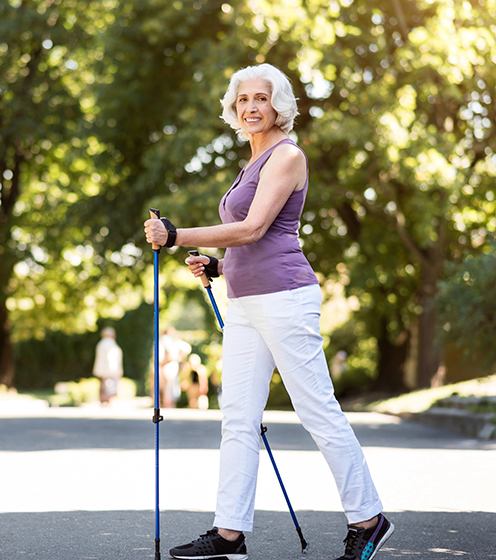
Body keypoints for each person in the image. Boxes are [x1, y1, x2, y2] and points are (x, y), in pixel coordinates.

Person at [143, 63, 394, 560]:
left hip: (285, 297)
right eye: (243, 101)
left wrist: (177, 236)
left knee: (316, 409)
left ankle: (369, 520)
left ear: (279, 105)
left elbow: (257, 229)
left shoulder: (287, 156)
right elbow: (246, 242)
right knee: (237, 417)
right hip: (244, 302)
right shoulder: (251, 162)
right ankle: (229, 532)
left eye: (261, 98)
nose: (251, 107)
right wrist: (217, 265)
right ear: (234, 110)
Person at [159, 326, 191, 408]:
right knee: (169, 388)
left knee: (167, 389)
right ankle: (169, 407)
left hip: (166, 366)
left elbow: (159, 358)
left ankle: (167, 407)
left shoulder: (163, 340)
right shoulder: (174, 341)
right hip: (171, 366)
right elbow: (187, 348)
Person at [92, 327, 123, 406]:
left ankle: (103, 402)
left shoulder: (100, 343)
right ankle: (107, 402)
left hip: (101, 370)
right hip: (109, 371)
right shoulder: (110, 343)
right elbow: (112, 358)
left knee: (103, 387)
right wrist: (114, 370)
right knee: (109, 388)